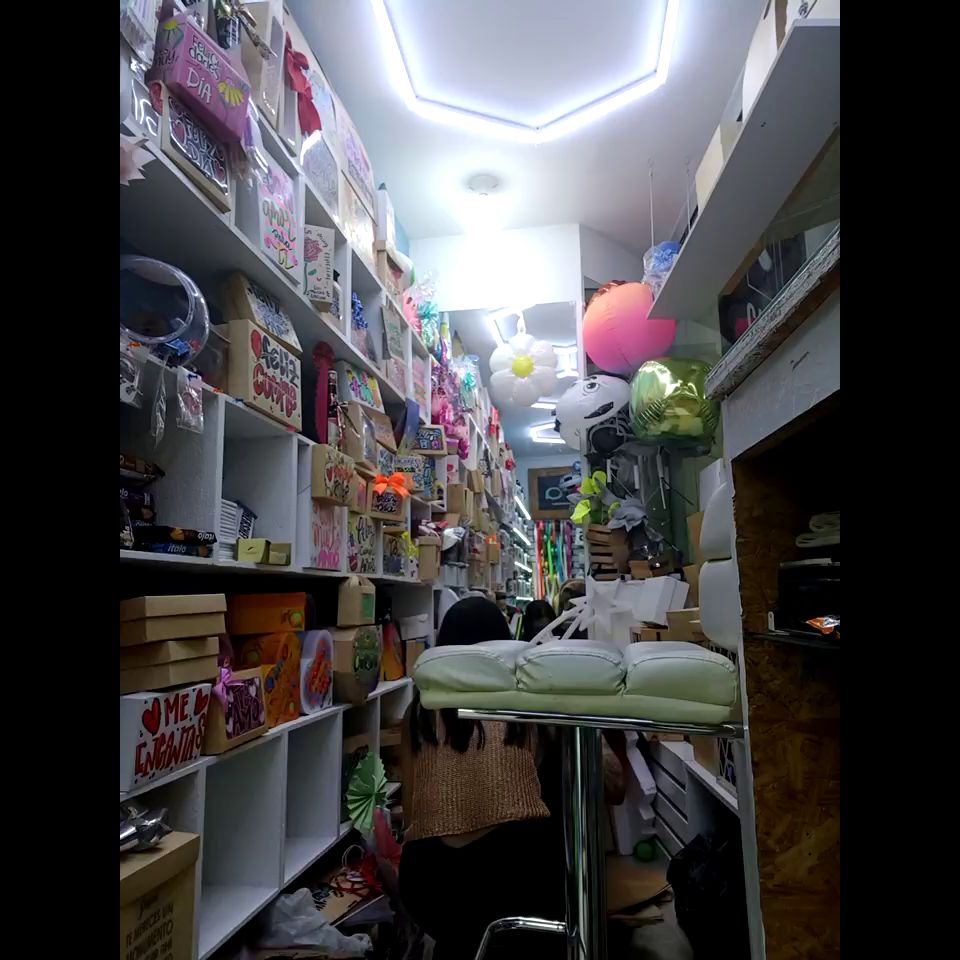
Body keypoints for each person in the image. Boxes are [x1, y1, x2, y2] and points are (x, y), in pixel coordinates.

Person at [399, 597, 565, 960]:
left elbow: (411, 815)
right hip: (513, 878)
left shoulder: (418, 714)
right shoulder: (523, 704)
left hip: (429, 883)